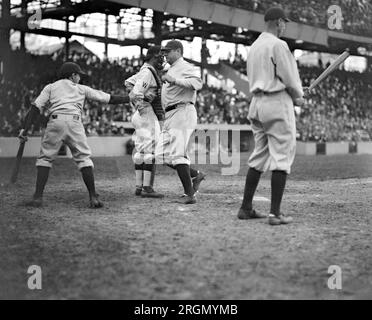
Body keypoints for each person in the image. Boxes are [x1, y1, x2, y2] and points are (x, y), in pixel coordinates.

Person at [18, 62, 130, 208]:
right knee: (84, 158)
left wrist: (24, 130)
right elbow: (108, 98)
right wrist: (129, 98)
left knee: (45, 158)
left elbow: (35, 108)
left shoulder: (50, 87)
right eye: (78, 75)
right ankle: (93, 196)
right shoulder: (81, 89)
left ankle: (38, 197)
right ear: (72, 75)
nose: (79, 78)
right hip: (74, 122)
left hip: (55, 121)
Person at [237, 7, 305, 225]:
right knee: (282, 156)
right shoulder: (278, 44)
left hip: (256, 103)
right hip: (276, 101)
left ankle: (246, 207)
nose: (285, 26)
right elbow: (291, 80)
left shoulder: (255, 46)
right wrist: (299, 97)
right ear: (278, 22)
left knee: (260, 154)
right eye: (284, 22)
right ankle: (275, 214)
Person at [157, 40, 206, 204]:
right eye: (163, 51)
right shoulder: (169, 69)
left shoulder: (185, 66)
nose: (164, 54)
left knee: (178, 154)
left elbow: (198, 83)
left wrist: (175, 80)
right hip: (170, 114)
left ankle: (189, 194)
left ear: (178, 51)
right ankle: (195, 174)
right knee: (160, 154)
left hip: (183, 111)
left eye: (168, 51)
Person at [124, 45, 165, 198]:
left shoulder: (145, 70)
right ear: (154, 56)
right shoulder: (148, 72)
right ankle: (147, 187)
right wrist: (142, 106)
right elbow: (136, 93)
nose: (162, 58)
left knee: (141, 151)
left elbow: (128, 83)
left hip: (139, 115)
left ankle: (139, 186)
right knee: (151, 151)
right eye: (160, 55)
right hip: (145, 112)